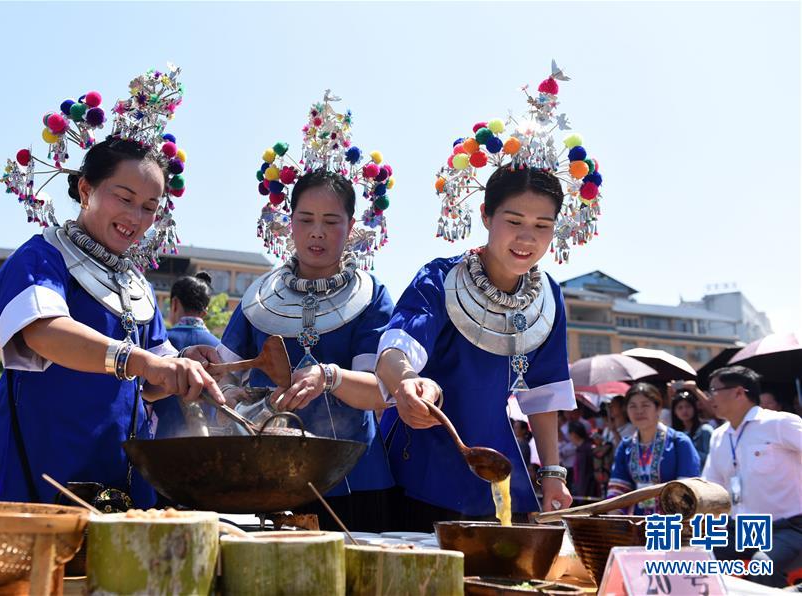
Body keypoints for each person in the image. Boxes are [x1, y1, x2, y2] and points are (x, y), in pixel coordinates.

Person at [0, 66, 223, 509]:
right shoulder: (41, 257)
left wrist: (181, 367)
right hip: (39, 473)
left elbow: (151, 383)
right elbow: (44, 332)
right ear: (85, 190)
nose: (136, 218)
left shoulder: (137, 285)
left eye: (150, 207)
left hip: (119, 480)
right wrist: (139, 360)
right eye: (124, 198)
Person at [375, 63, 607, 529]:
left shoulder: (548, 297)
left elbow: (543, 393)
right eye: (514, 221)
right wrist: (406, 383)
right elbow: (396, 348)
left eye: (542, 226)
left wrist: (553, 474)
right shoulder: (440, 278)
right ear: (485, 216)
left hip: (495, 459)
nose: (527, 238)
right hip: (420, 457)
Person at [216, 94, 395, 532]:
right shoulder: (259, 298)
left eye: (332, 222)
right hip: (271, 474)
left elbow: (379, 391)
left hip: (356, 478)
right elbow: (224, 376)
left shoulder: (372, 296)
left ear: (351, 227)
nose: (317, 233)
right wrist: (230, 392)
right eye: (306, 219)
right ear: (289, 222)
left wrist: (328, 377)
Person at [702, 366, 802, 589]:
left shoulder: (779, 423)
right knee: (694, 556)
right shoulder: (718, 436)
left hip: (788, 528)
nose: (709, 398)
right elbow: (710, 488)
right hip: (740, 529)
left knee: (762, 565)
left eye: (714, 390)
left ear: (739, 392)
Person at [606, 383, 700, 515]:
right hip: (636, 522)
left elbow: (687, 489)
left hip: (672, 522)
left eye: (645, 405)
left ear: (658, 408)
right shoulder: (626, 446)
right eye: (633, 406)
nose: (639, 411)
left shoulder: (679, 442)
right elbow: (618, 488)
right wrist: (614, 518)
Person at [152, 272, 221, 440]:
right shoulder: (219, 347)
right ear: (205, 311)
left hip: (162, 436)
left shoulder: (160, 344)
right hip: (208, 439)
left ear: (174, 303)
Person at [671, 391, 714, 467]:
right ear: (675, 412)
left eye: (688, 406)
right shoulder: (673, 434)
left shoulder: (705, 430)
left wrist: (688, 450)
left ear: (694, 408)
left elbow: (712, 458)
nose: (684, 410)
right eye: (680, 407)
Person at [568, 421, 599, 501]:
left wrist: (581, 496)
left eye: (569, 435)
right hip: (583, 491)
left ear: (574, 434)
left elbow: (584, 474)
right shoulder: (582, 449)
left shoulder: (585, 450)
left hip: (587, 493)